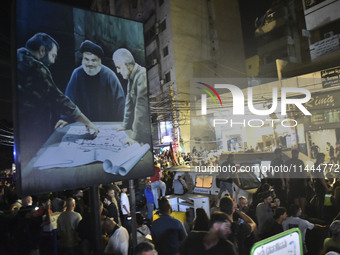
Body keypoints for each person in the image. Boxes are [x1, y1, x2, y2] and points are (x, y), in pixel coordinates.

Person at [17, 33, 98, 168]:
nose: (53, 61)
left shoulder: (18, 57)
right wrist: (88, 123)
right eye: (53, 55)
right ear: (42, 50)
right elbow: (59, 99)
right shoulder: (36, 67)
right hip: (31, 137)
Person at [63, 40, 125, 122]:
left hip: (106, 124)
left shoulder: (109, 75)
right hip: (82, 124)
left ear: (99, 61)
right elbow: (69, 99)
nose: (90, 63)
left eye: (93, 60)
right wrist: (65, 119)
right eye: (86, 59)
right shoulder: (77, 74)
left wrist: (122, 123)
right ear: (82, 59)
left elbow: (120, 103)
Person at [112, 48, 150, 144]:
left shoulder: (142, 75)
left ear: (128, 65)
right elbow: (128, 104)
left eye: (119, 67)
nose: (118, 71)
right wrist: (125, 125)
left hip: (148, 132)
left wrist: (134, 137)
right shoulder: (131, 77)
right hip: (142, 130)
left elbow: (141, 107)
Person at [285, 149, 307, 214]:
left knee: (298, 198)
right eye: (295, 154)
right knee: (298, 198)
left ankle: (300, 213)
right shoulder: (299, 162)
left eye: (297, 154)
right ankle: (301, 213)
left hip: (296, 182)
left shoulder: (289, 162)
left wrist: (287, 182)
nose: (296, 155)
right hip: (296, 182)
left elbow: (303, 172)